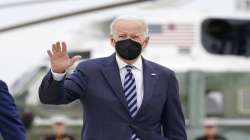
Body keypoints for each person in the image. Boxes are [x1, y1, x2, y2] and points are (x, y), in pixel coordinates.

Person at [39, 16, 187, 140]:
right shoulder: (90, 71)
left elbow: (175, 128)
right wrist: (58, 73)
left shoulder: (164, 76)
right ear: (112, 41)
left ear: (146, 41)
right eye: (122, 36)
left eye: (135, 37)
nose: (128, 41)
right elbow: (52, 98)